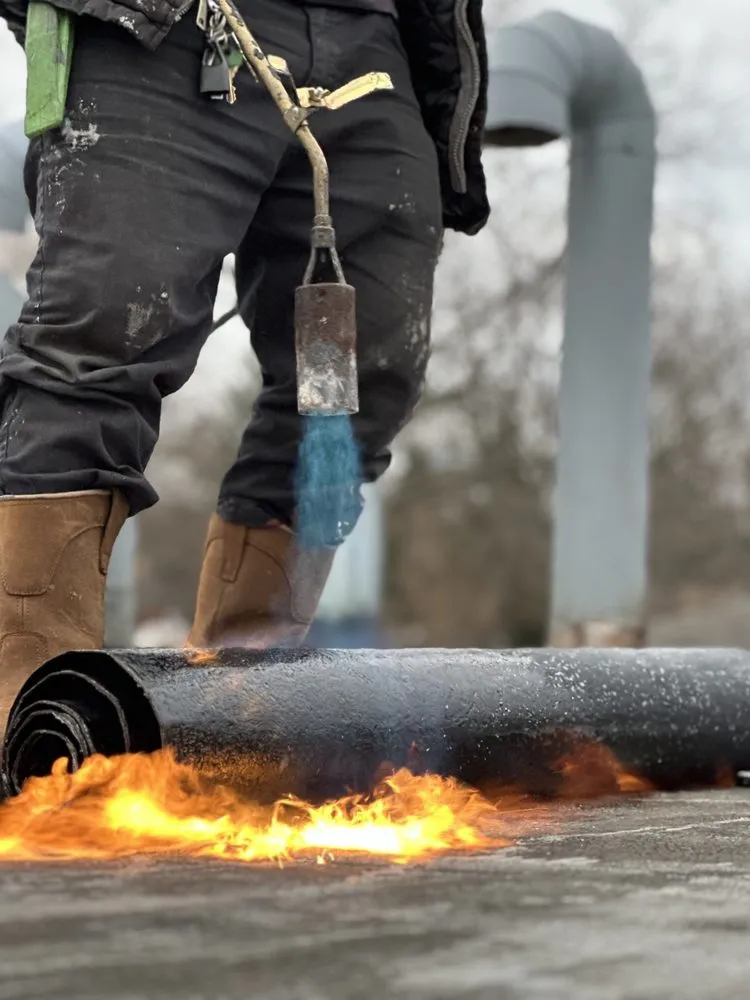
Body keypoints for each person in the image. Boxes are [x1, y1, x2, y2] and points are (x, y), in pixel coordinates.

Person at [0, 0, 489, 715]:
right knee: (102, 336)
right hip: (165, 22)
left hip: (378, 41)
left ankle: (235, 723)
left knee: (357, 384)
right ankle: (30, 725)